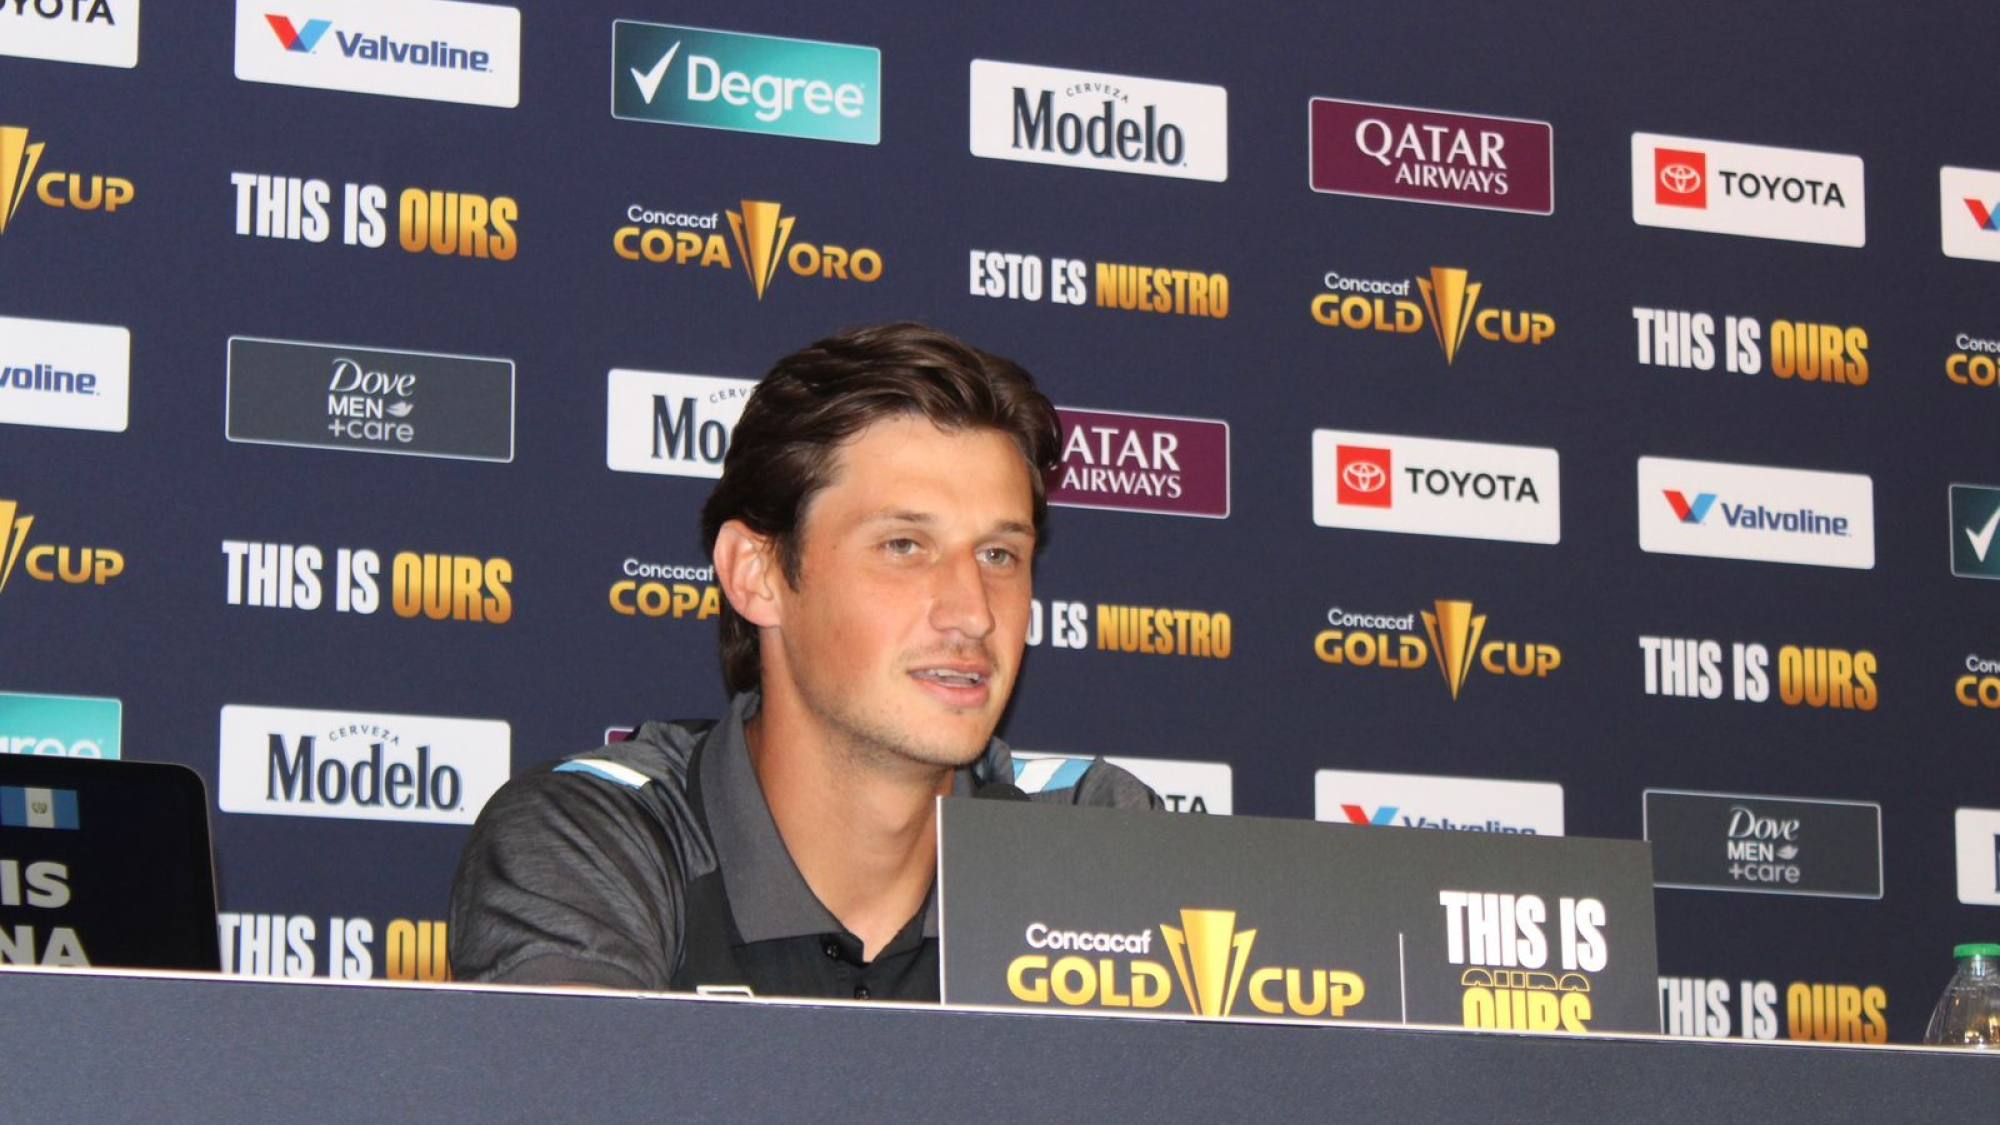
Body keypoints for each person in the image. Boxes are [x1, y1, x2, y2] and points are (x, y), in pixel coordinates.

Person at [448, 322, 1159, 1000]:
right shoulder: (595, 840)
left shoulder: (1094, 835)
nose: (974, 612)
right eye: (904, 546)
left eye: (999, 554)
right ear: (757, 574)